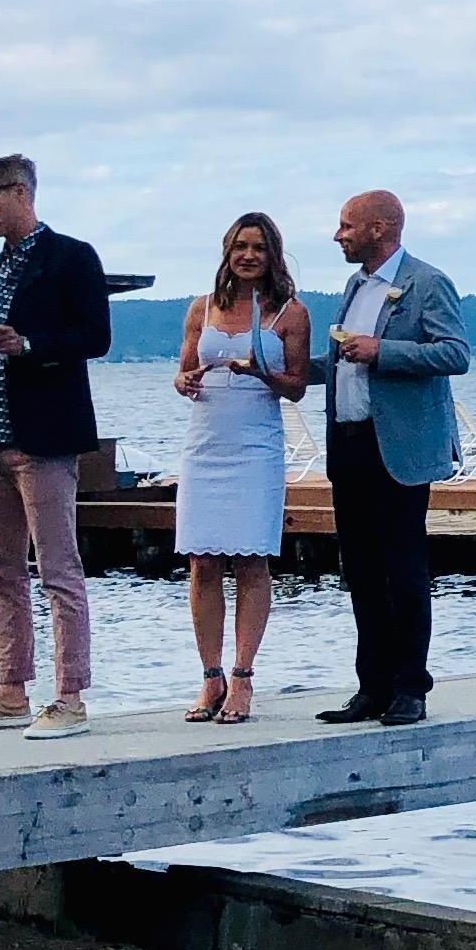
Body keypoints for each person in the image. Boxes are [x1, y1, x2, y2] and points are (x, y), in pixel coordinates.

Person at [0, 151, 113, 731]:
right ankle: (11, 689)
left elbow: (95, 336)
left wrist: (31, 343)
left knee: (58, 568)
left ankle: (70, 696)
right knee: (0, 569)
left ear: (20, 193)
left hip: (43, 437)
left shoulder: (72, 257)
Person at [323, 188, 467, 724]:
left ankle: (411, 687)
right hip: (350, 443)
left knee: (403, 568)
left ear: (380, 228)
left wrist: (383, 351)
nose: (338, 236)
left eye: (346, 226)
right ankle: (371, 686)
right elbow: (343, 358)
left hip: (400, 447)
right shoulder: (354, 286)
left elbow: (453, 352)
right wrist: (277, 367)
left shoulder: (426, 283)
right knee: (359, 569)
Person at [172, 210, 312, 722]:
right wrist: (184, 382)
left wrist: (263, 373)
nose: (249, 256)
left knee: (251, 561)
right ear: (227, 253)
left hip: (256, 446)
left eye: (259, 248)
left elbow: (298, 383)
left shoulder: (290, 313)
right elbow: (185, 370)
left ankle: (243, 677)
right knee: (202, 561)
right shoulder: (202, 308)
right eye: (240, 247)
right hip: (206, 444)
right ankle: (209, 676)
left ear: (273, 255)